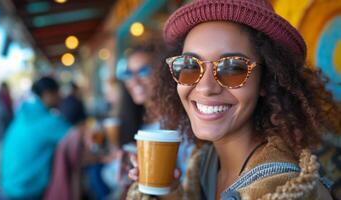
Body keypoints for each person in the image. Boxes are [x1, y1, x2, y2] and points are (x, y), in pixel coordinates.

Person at [127, 0, 341, 199]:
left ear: (266, 81)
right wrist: (166, 192)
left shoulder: (282, 188)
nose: (206, 87)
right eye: (190, 65)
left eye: (232, 68)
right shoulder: (206, 161)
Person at [1, 76, 71, 199]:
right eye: (58, 93)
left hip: (9, 186)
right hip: (27, 190)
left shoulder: (23, 115)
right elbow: (77, 139)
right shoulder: (49, 121)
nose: (60, 97)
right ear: (48, 94)